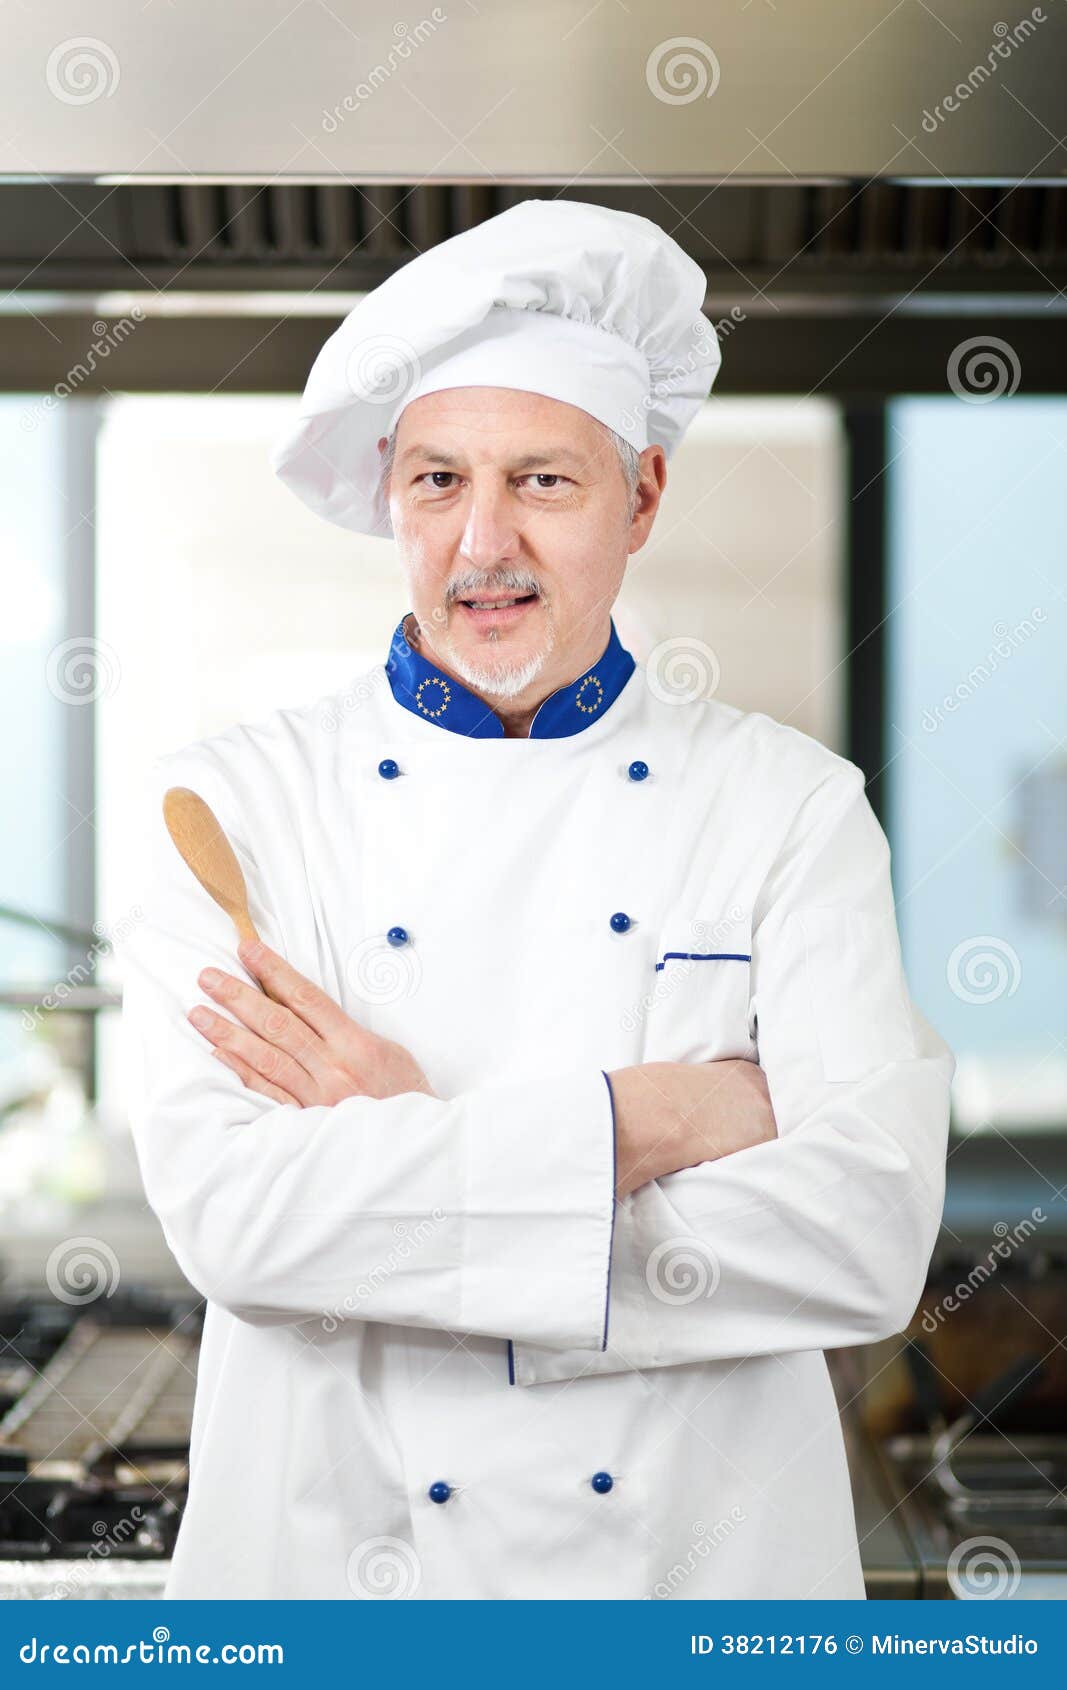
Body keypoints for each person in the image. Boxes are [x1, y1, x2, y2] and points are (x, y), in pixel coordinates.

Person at [117, 199, 954, 1601]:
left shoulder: (791, 808)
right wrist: (655, 1119)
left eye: (543, 482)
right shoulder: (231, 809)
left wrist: (399, 1150)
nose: (482, 543)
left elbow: (864, 1240)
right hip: (343, 1599)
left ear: (643, 496)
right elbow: (241, 1226)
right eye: (437, 481)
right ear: (392, 496)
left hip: (693, 1602)